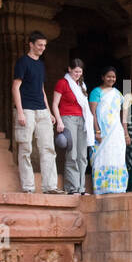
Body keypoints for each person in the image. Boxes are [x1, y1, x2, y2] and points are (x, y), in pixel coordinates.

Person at [11, 30, 61, 194]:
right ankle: (28, 187)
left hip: (42, 110)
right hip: (26, 109)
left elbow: (41, 89)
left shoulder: (40, 64)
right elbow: (15, 87)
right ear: (31, 44)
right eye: (39, 45)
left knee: (48, 148)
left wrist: (49, 111)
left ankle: (50, 186)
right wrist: (20, 112)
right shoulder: (22, 62)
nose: (42, 48)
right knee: (25, 148)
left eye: (44, 45)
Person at [52, 58, 93, 195]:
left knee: (82, 155)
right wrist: (59, 121)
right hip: (67, 118)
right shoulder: (62, 83)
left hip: (82, 120)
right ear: (69, 69)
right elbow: (54, 104)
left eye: (80, 72)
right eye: (75, 71)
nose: (77, 74)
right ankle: (72, 187)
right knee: (72, 154)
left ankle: (81, 188)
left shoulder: (82, 85)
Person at [88, 66, 129, 194]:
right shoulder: (96, 92)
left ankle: (117, 187)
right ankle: (102, 187)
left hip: (116, 131)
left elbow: (123, 116)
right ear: (103, 77)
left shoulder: (118, 94)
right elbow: (92, 113)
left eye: (113, 77)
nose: (111, 79)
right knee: (102, 156)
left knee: (116, 156)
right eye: (108, 76)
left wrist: (126, 133)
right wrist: (97, 130)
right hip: (102, 131)